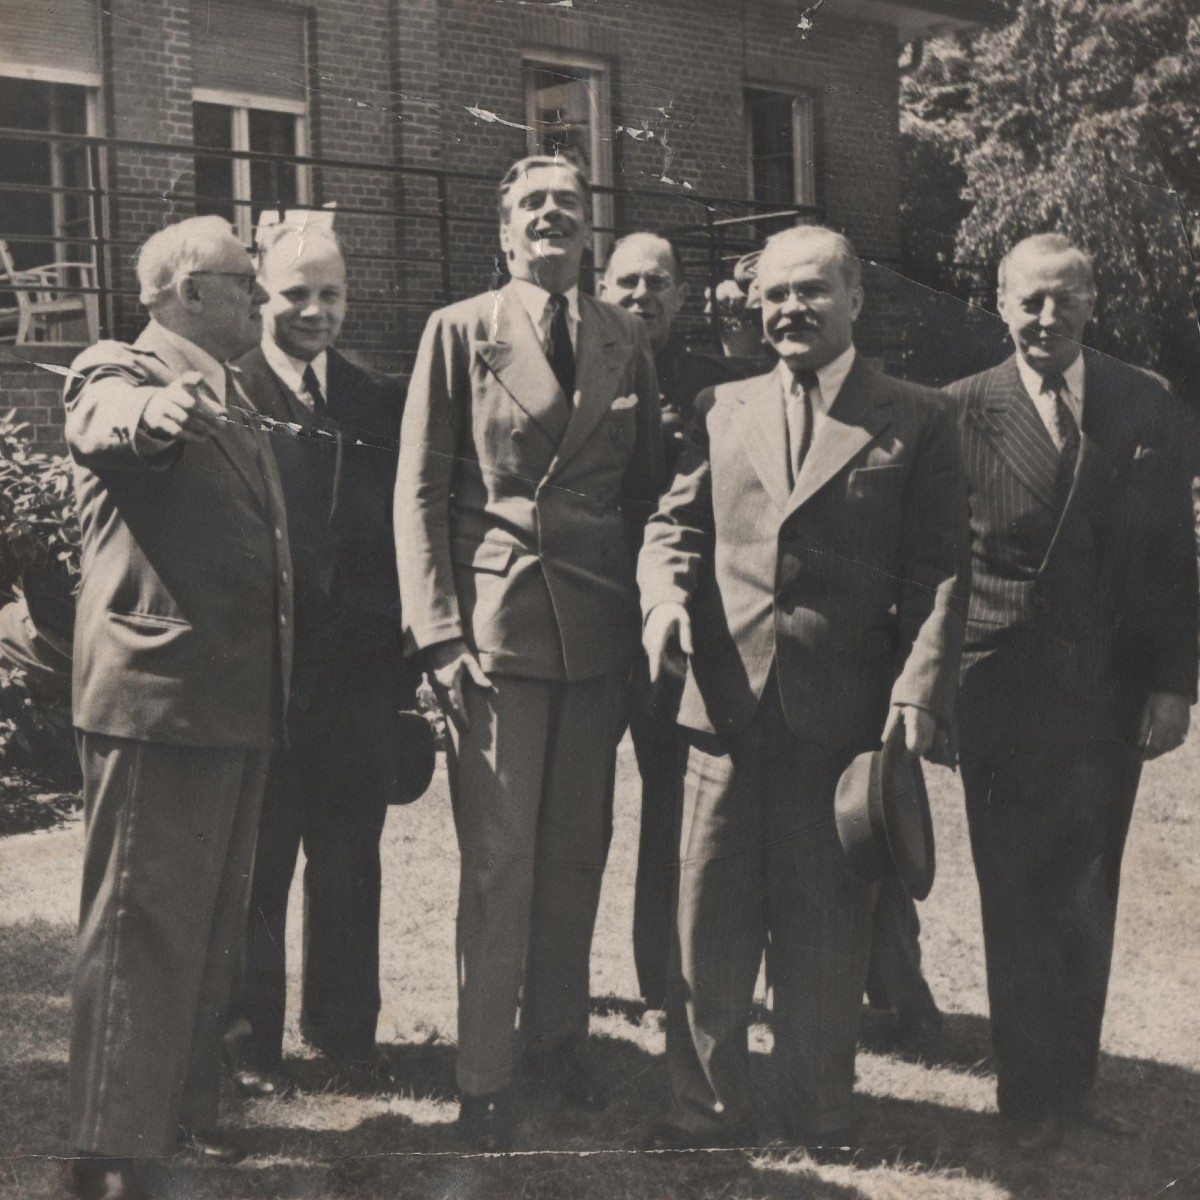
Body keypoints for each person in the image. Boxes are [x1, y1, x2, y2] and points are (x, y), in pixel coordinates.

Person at [637, 224, 969, 1156]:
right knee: (708, 920)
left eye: (812, 291)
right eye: (774, 294)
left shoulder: (917, 414)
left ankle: (819, 1107)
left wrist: (918, 688)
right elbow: (677, 528)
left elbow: (942, 568)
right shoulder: (719, 404)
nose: (789, 309)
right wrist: (662, 601)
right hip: (724, 707)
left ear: (855, 298)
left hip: (845, 717)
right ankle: (700, 1110)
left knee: (828, 922)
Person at [394, 155, 664, 1151]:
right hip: (496, 629)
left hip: (595, 629)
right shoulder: (460, 332)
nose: (552, 218)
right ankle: (484, 1075)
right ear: (503, 232)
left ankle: (556, 1043)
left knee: (575, 851)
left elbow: (649, 489)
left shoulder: (621, 336)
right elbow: (418, 490)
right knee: (500, 861)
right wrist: (435, 630)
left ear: (589, 231)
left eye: (569, 205)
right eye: (531, 206)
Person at [948, 232, 1198, 1151]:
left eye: (1063, 300)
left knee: (1090, 883)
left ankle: (1077, 1085)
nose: (1045, 319)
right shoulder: (962, 409)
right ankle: (1026, 1091)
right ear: (1000, 302)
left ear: (1092, 303)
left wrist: (1175, 684)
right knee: (1011, 884)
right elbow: (944, 563)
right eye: (1028, 301)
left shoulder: (1146, 404)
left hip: (1109, 689)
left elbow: (1175, 555)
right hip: (1001, 687)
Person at [62, 216, 292, 1200]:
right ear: (190, 290)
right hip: (159, 702)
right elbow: (102, 414)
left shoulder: (233, 387)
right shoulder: (124, 365)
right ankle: (113, 1154)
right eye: (249, 282)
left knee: (208, 925)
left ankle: (186, 1113)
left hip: (228, 700)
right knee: (140, 927)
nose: (265, 299)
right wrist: (150, 419)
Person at [223, 224, 421, 1095]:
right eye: (295, 293)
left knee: (350, 858)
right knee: (260, 864)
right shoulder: (226, 393)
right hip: (264, 678)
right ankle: (249, 1047)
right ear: (260, 294)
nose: (314, 311)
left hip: (359, 677)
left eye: (330, 294)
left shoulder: (378, 399)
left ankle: (345, 1033)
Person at [597, 231, 735, 1010]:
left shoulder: (718, 388)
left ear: (683, 296)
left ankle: (663, 976)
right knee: (574, 811)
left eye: (659, 282)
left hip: (670, 625)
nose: (642, 295)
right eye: (627, 281)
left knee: (670, 800)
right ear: (603, 287)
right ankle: (552, 979)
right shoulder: (578, 365)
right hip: (583, 609)